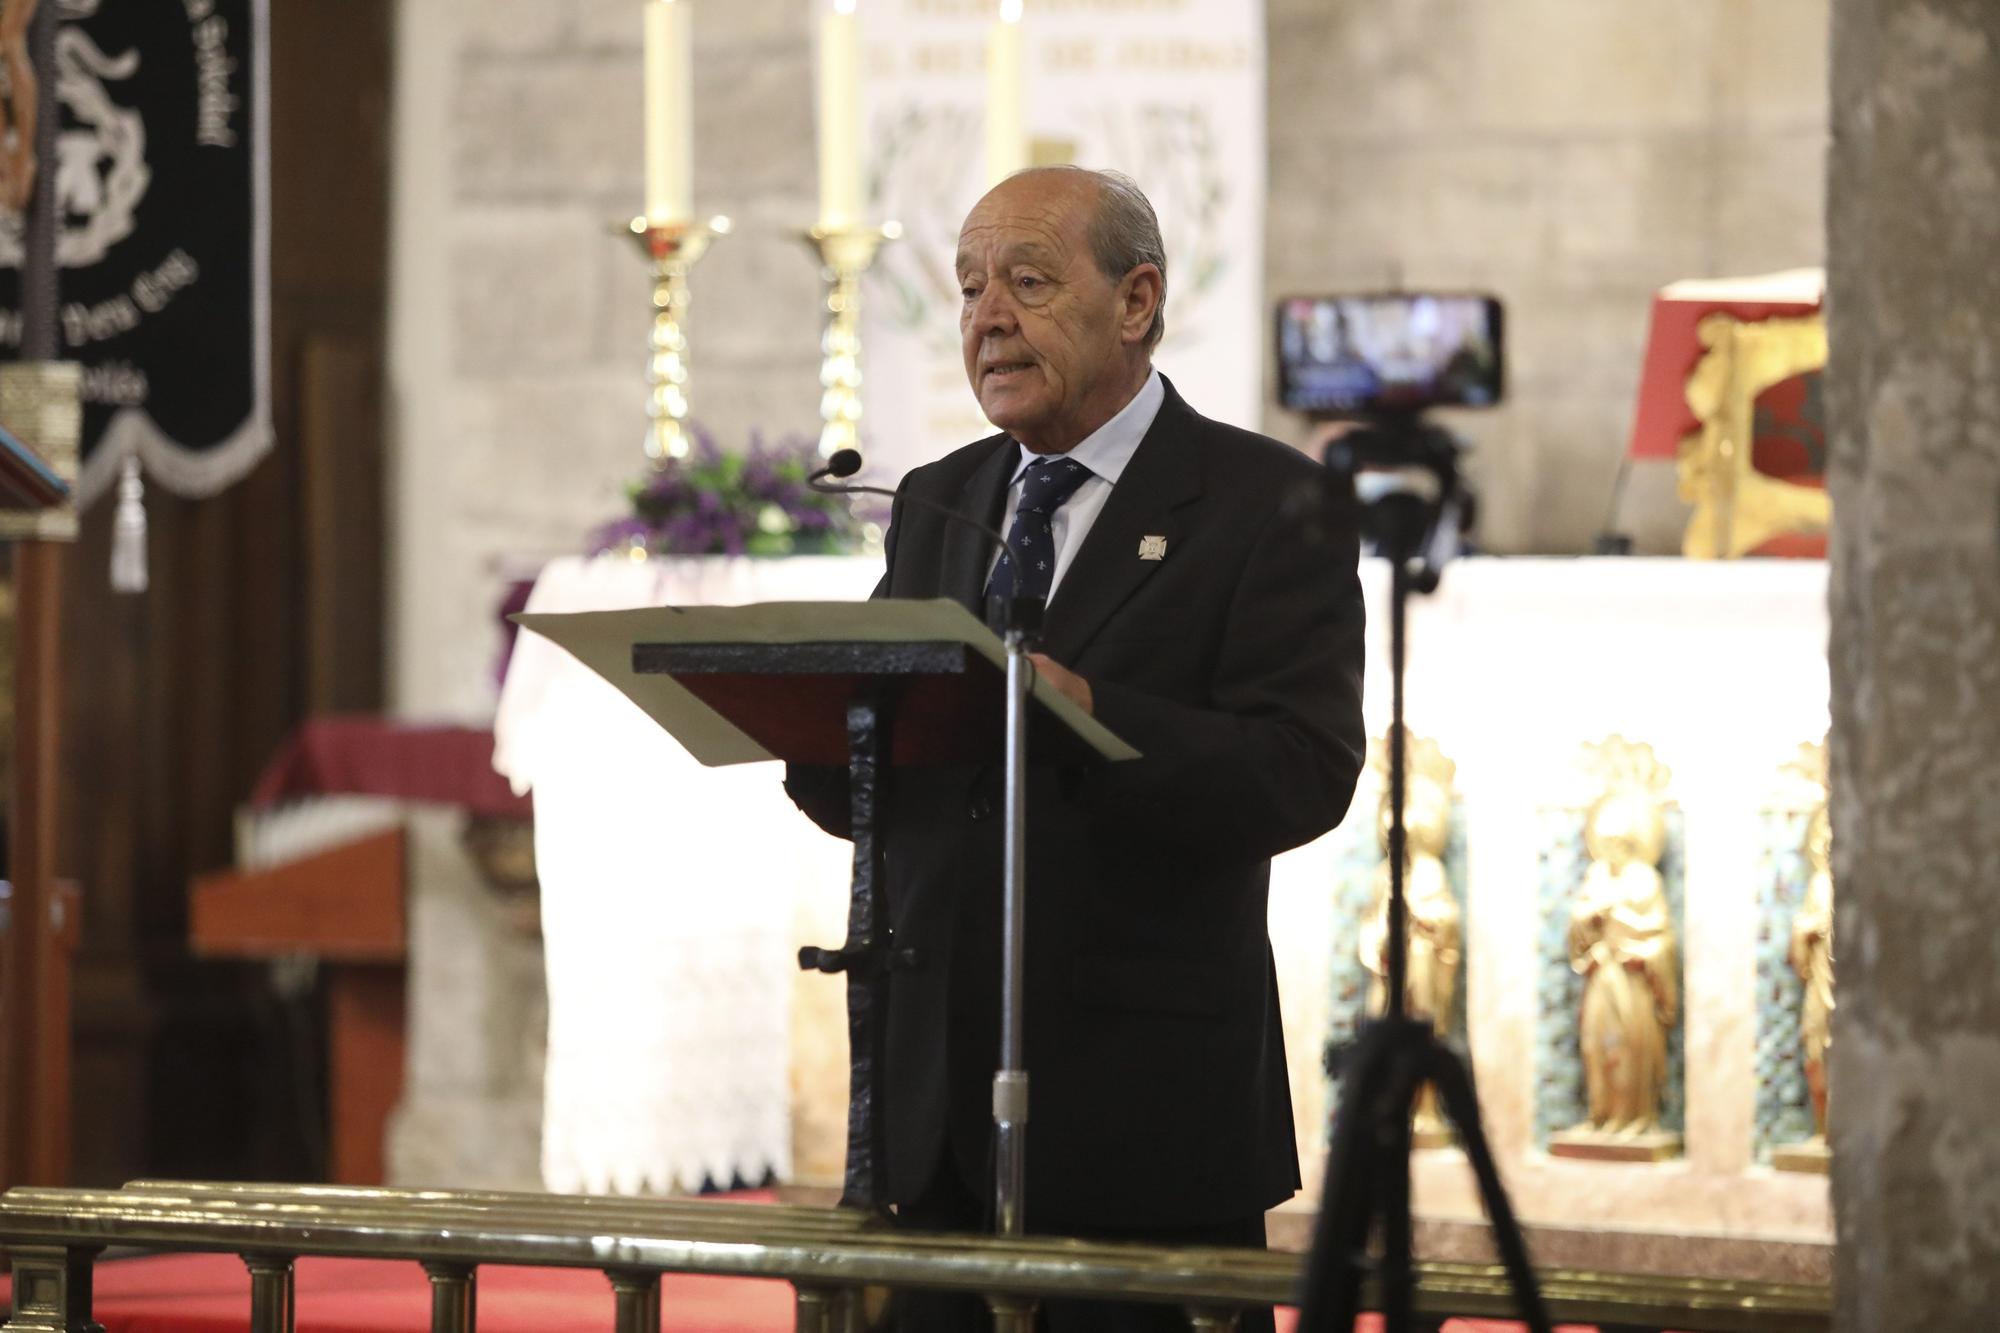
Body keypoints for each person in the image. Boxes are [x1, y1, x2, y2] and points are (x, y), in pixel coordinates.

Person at [785, 165, 1366, 1331]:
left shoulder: (1265, 502)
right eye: (966, 290)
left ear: (1136, 299)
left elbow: (1301, 771)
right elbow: (881, 780)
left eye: (1028, 283)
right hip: (936, 1117)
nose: (986, 318)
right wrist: (826, 720)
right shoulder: (941, 497)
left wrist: (1086, 713)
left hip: (1142, 1118)